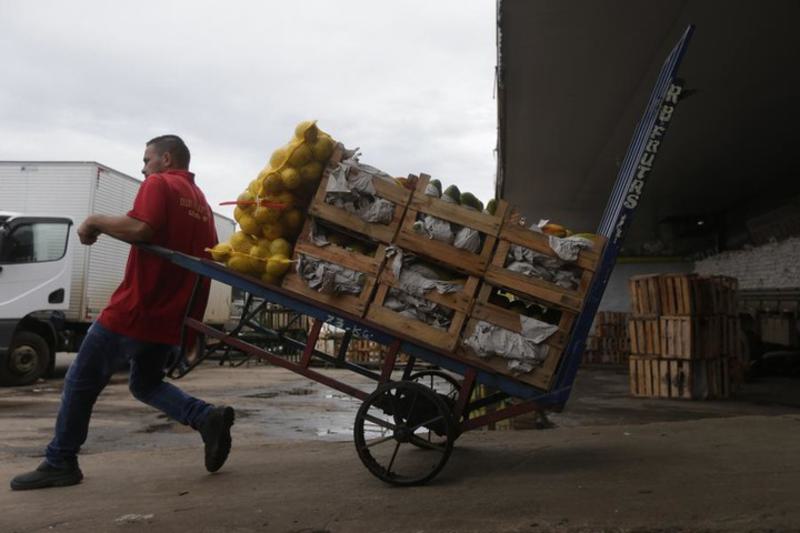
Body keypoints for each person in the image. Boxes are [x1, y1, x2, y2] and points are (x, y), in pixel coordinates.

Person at [10, 135, 235, 490]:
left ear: (166, 158)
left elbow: (141, 228)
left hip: (136, 309)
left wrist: (94, 221)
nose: (143, 168)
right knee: (145, 384)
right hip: (169, 316)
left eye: (146, 160)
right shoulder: (201, 203)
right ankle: (206, 418)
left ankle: (60, 461)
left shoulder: (159, 184)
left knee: (80, 381)